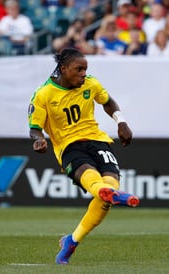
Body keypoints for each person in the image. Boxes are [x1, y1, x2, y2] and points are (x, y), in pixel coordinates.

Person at [27, 48, 140, 264]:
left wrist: (121, 121)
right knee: (96, 183)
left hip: (97, 140)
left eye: (85, 69)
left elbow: (107, 101)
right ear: (63, 69)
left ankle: (72, 240)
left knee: (106, 191)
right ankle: (111, 194)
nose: (83, 74)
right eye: (79, 69)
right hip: (68, 146)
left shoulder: (90, 83)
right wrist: (38, 139)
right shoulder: (44, 94)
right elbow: (34, 127)